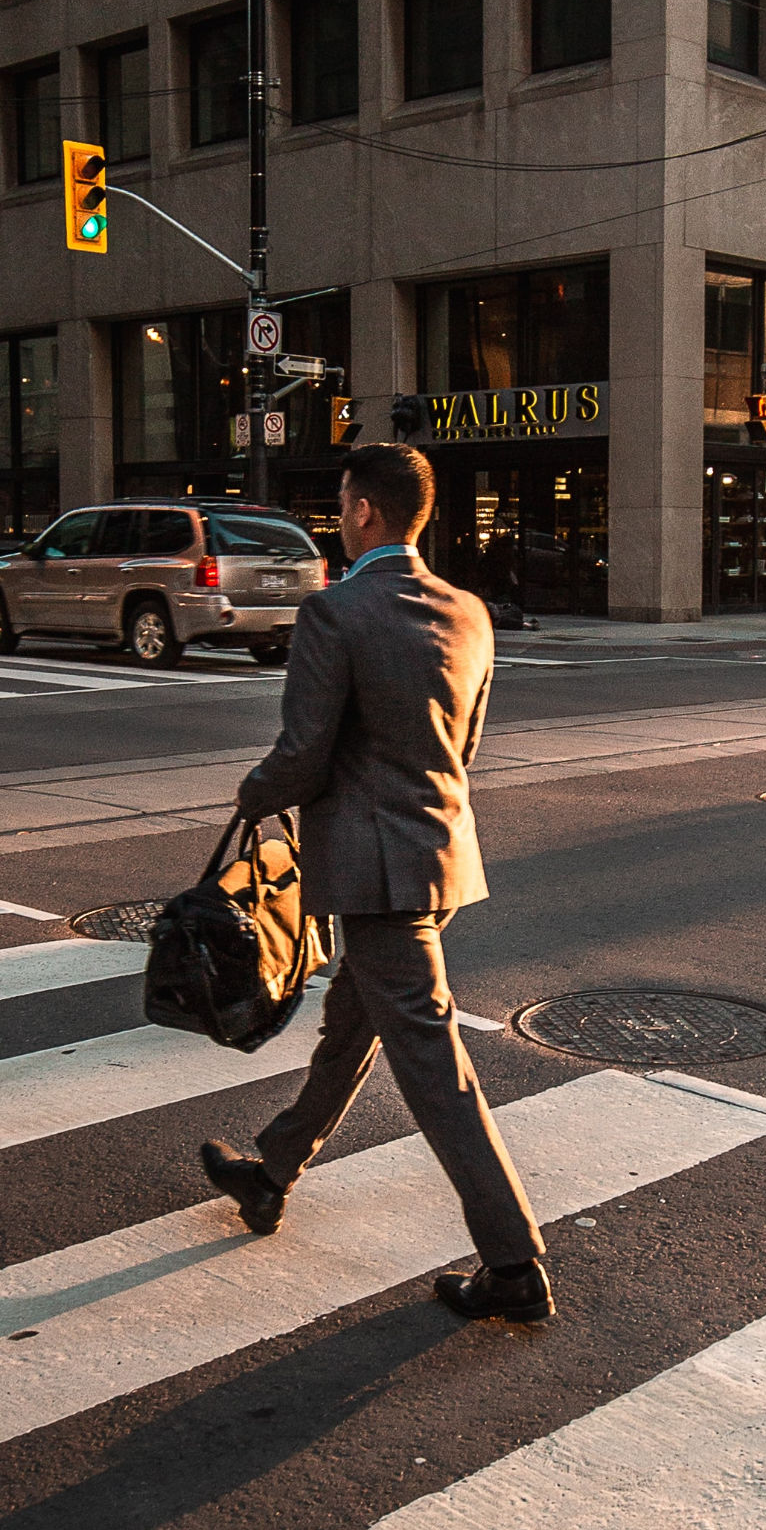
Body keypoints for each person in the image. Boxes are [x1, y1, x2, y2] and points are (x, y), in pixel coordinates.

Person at [198, 440, 550, 1321]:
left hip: (372, 868)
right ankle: (272, 1172)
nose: (339, 516)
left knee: (435, 1067)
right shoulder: (469, 610)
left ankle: (514, 1265)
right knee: (352, 1026)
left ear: (365, 511)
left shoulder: (337, 612)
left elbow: (304, 755)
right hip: (438, 856)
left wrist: (255, 794)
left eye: (343, 502)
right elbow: (462, 748)